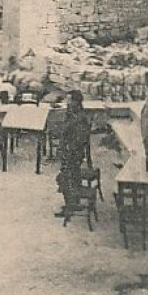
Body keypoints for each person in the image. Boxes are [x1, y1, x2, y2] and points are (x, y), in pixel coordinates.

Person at [54, 90, 91, 220]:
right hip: (69, 153)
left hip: (72, 154)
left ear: (76, 102)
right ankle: (72, 203)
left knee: (66, 178)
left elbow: (80, 139)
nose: (67, 103)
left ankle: (71, 205)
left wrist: (68, 151)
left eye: (70, 100)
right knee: (70, 178)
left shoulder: (79, 118)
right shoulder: (73, 114)